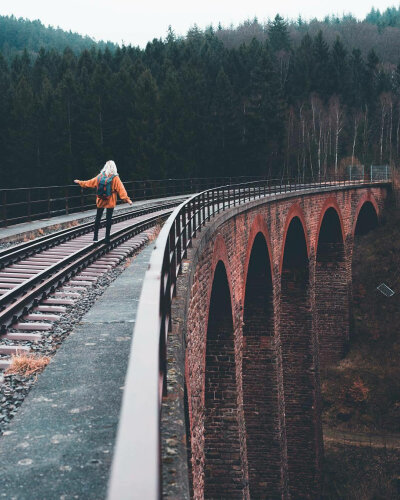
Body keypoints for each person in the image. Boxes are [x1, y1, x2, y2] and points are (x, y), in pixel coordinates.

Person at [74, 160, 133, 243]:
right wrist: (127, 200)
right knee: (108, 219)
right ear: (114, 167)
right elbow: (121, 189)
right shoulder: (115, 177)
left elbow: (89, 183)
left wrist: (79, 182)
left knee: (98, 218)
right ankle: (107, 238)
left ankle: (95, 237)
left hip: (100, 200)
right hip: (110, 200)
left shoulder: (100, 176)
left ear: (105, 167)